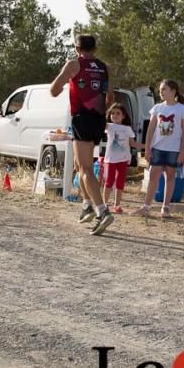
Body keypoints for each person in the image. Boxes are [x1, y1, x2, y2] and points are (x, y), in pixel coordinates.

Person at [50, 34, 115, 236]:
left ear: (77, 48)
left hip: (82, 117)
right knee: (79, 164)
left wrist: (62, 88)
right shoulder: (103, 67)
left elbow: (53, 89)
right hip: (98, 119)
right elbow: (110, 96)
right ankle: (87, 204)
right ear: (94, 49)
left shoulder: (74, 64)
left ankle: (102, 211)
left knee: (86, 168)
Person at [135, 79, 184, 218]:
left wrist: (182, 153)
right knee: (154, 176)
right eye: (160, 90)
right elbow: (150, 129)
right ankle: (146, 207)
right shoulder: (157, 108)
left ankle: (165, 208)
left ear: (173, 91)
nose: (161, 93)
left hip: (174, 149)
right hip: (157, 148)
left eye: (164, 90)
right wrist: (147, 149)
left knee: (170, 177)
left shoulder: (182, 109)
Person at [102, 102, 143, 214]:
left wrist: (145, 146)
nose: (114, 115)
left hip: (123, 159)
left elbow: (132, 143)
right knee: (109, 182)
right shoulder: (108, 126)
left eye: (118, 113)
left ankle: (117, 205)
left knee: (120, 182)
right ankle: (104, 204)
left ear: (123, 116)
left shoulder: (127, 129)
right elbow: (99, 121)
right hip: (110, 159)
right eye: (112, 113)